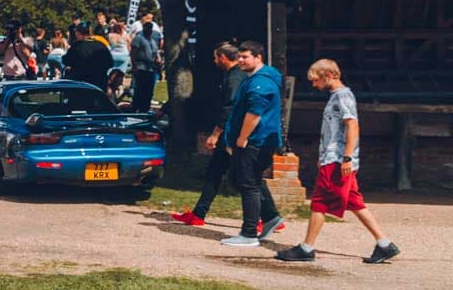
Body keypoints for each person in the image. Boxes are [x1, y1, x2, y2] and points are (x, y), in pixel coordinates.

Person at [277, 60, 399, 264]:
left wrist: (347, 157)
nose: (314, 85)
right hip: (333, 157)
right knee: (354, 201)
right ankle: (385, 244)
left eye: (316, 80)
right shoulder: (337, 96)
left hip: (337, 159)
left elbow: (353, 126)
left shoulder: (342, 96)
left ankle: (306, 248)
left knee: (319, 202)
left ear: (328, 75)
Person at [219, 41, 288, 247]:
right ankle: (271, 218)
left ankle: (249, 233)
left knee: (248, 184)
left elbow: (254, 113)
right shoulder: (255, 77)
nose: (240, 60)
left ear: (258, 57)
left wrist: (242, 138)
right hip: (256, 140)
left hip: (255, 141)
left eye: (245, 57)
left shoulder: (261, 83)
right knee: (244, 179)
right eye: (239, 56)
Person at [171, 41, 244, 228]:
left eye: (215, 57)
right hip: (229, 132)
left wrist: (215, 133)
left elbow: (229, 107)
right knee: (214, 172)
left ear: (223, 57)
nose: (214, 61)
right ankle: (199, 213)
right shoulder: (233, 75)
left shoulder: (235, 77)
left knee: (245, 176)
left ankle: (268, 217)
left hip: (231, 133)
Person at [61, 19, 114, 93]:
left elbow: (66, 60)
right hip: (99, 86)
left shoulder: (76, 46)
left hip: (81, 86)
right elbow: (110, 63)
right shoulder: (101, 45)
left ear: (78, 33)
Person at [128, 13, 162, 113]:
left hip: (151, 68)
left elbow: (155, 54)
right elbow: (133, 52)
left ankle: (145, 108)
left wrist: (159, 68)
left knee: (149, 90)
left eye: (150, 28)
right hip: (141, 67)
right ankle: (136, 108)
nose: (149, 30)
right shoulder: (139, 38)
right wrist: (134, 66)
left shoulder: (152, 41)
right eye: (147, 28)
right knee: (140, 89)